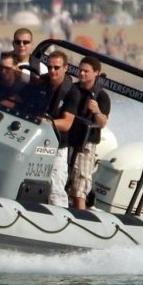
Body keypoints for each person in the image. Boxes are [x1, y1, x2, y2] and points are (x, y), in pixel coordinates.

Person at [67, 56, 111, 210]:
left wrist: (96, 111)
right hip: (67, 140)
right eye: (80, 70)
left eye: (86, 71)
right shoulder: (72, 89)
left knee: (80, 185)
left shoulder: (101, 96)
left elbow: (102, 123)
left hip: (86, 144)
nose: (82, 74)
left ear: (96, 73)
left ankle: (81, 216)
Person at [39, 51, 78, 208]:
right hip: (35, 140)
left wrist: (45, 121)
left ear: (65, 68)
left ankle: (61, 217)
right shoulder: (41, 82)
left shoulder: (72, 92)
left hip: (57, 145)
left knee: (55, 188)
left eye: (56, 67)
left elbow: (66, 123)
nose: (52, 71)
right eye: (49, 67)